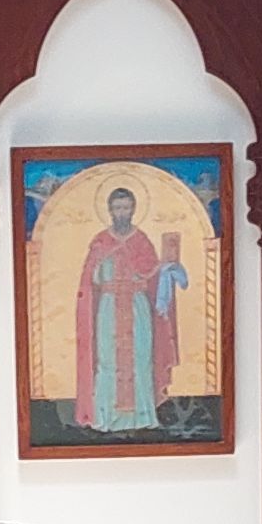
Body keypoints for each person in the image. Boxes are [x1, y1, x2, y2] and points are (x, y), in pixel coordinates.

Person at [73, 179, 187, 435]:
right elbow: (89, 280)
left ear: (133, 209)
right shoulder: (100, 241)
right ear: (109, 210)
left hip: (137, 309)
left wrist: (166, 269)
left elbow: (152, 275)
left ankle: (143, 418)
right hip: (108, 309)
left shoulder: (141, 240)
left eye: (126, 207)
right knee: (107, 361)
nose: (121, 213)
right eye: (117, 208)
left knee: (141, 359)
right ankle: (105, 418)